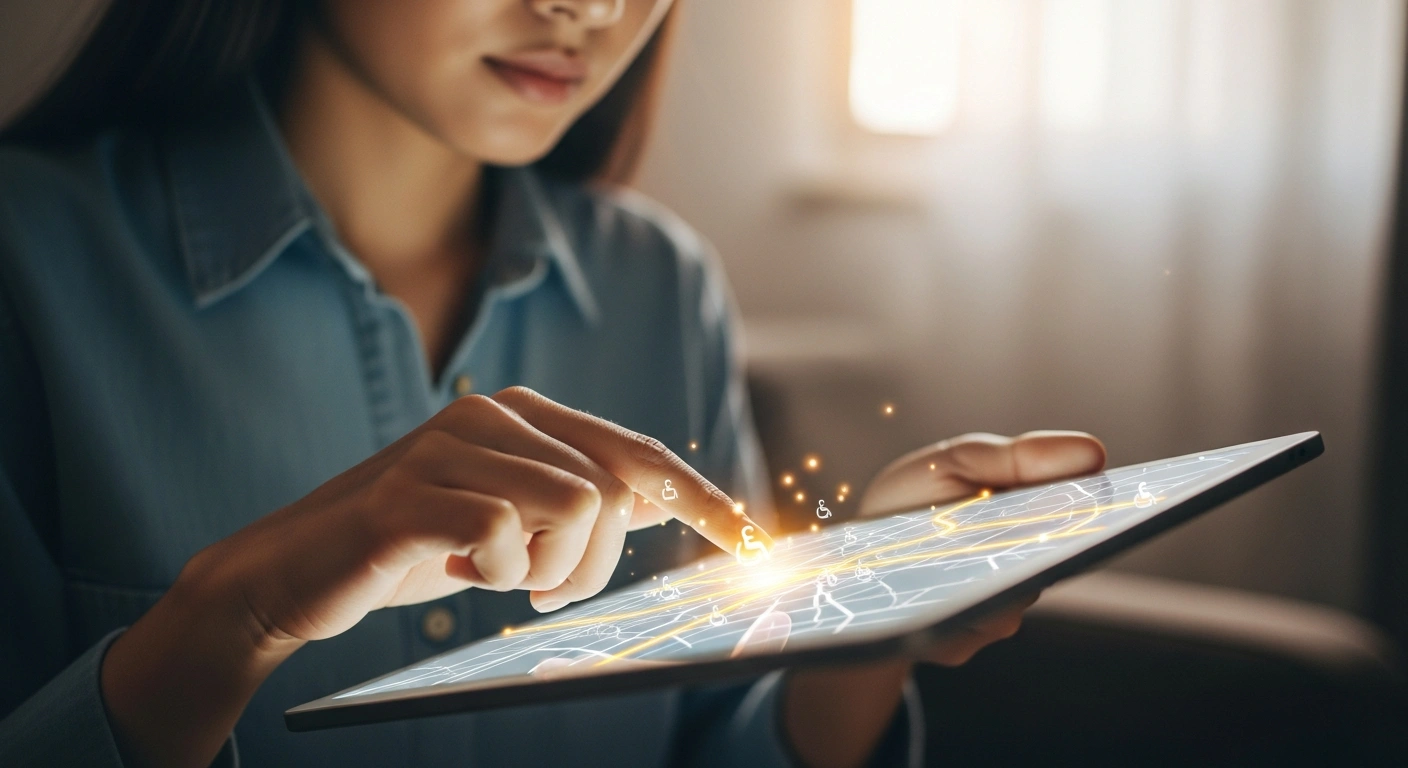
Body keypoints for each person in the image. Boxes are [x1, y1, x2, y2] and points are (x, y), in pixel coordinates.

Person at [0, 1, 1107, 766]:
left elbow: (716, 743)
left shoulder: (657, 285)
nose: (590, 9)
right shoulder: (27, 266)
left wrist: (870, 615)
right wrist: (233, 618)